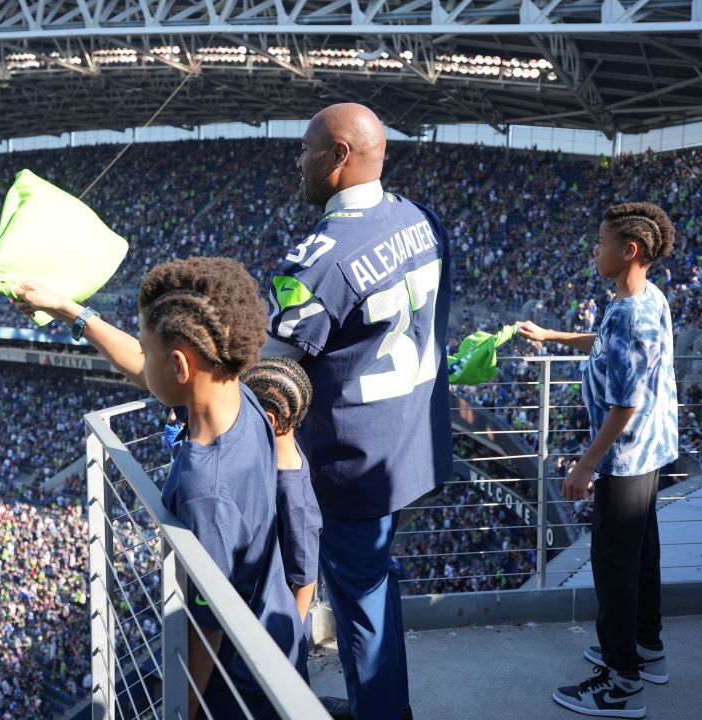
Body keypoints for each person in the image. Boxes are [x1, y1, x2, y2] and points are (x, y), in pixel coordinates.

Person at [11, 257, 305, 720]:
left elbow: (206, 628)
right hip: (277, 641)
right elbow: (151, 369)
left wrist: (180, 710)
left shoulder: (204, 488)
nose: (143, 360)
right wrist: (73, 313)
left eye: (148, 350)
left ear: (180, 366)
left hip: (240, 690)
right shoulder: (238, 398)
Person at [262, 102, 452, 720]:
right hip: (411, 444)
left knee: (361, 598)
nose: (298, 161)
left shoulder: (318, 260)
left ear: (338, 156)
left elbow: (269, 372)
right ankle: (380, 700)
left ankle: (381, 709)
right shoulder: (422, 219)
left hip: (352, 459)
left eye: (306, 149)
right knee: (371, 580)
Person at [517, 201, 679, 718]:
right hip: (652, 451)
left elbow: (625, 402)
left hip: (625, 460)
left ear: (628, 250)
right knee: (641, 555)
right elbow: (607, 346)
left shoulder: (632, 314)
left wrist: (587, 463)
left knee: (612, 565)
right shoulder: (645, 297)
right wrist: (554, 336)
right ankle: (645, 647)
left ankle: (621, 681)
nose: (594, 248)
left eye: (601, 241)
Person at [240, 357, 322, 626]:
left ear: (269, 420)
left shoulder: (294, 497)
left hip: (276, 628)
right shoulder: (282, 453)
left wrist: (292, 640)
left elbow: (305, 578)